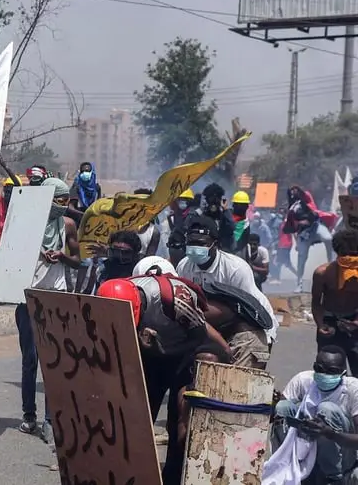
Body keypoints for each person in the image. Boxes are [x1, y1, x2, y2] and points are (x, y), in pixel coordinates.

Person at [96, 277, 231, 484]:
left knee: (178, 424)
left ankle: (173, 478)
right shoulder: (112, 294)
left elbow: (199, 336)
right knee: (139, 419)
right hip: (154, 354)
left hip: (184, 352)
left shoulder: (175, 299)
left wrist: (164, 351)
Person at [17, 178, 83, 441]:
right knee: (30, 359)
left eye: (65, 200)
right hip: (27, 297)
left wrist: (62, 256)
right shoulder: (25, 223)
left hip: (56, 296)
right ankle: (29, 415)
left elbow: (78, 261)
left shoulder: (67, 225)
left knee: (52, 361)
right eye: (57, 200)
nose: (62, 205)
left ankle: (49, 419)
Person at [176, 215, 278, 370]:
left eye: (201, 244)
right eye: (191, 243)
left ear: (214, 245)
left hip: (252, 324)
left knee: (240, 379)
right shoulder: (184, 267)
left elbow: (251, 308)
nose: (195, 248)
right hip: (213, 327)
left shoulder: (235, 269)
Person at [266, 346, 358, 483]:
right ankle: (286, 464)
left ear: (343, 373)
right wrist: (272, 405)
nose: (324, 375)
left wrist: (330, 433)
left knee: (326, 409)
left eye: (332, 371)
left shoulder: (353, 389)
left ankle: (333, 478)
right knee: (283, 407)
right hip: (305, 448)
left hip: (341, 455)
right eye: (320, 369)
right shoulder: (303, 380)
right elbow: (277, 415)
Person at [313, 229, 358, 375]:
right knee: (329, 370)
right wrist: (320, 324)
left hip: (354, 321)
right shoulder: (323, 273)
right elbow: (316, 302)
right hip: (330, 321)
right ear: (338, 254)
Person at [285, 186, 338, 291]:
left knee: (328, 238)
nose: (293, 192)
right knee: (302, 257)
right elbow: (293, 227)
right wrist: (297, 242)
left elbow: (311, 209)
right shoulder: (292, 208)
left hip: (316, 227)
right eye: (291, 191)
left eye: (295, 190)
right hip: (304, 234)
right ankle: (299, 284)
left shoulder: (306, 198)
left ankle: (331, 266)